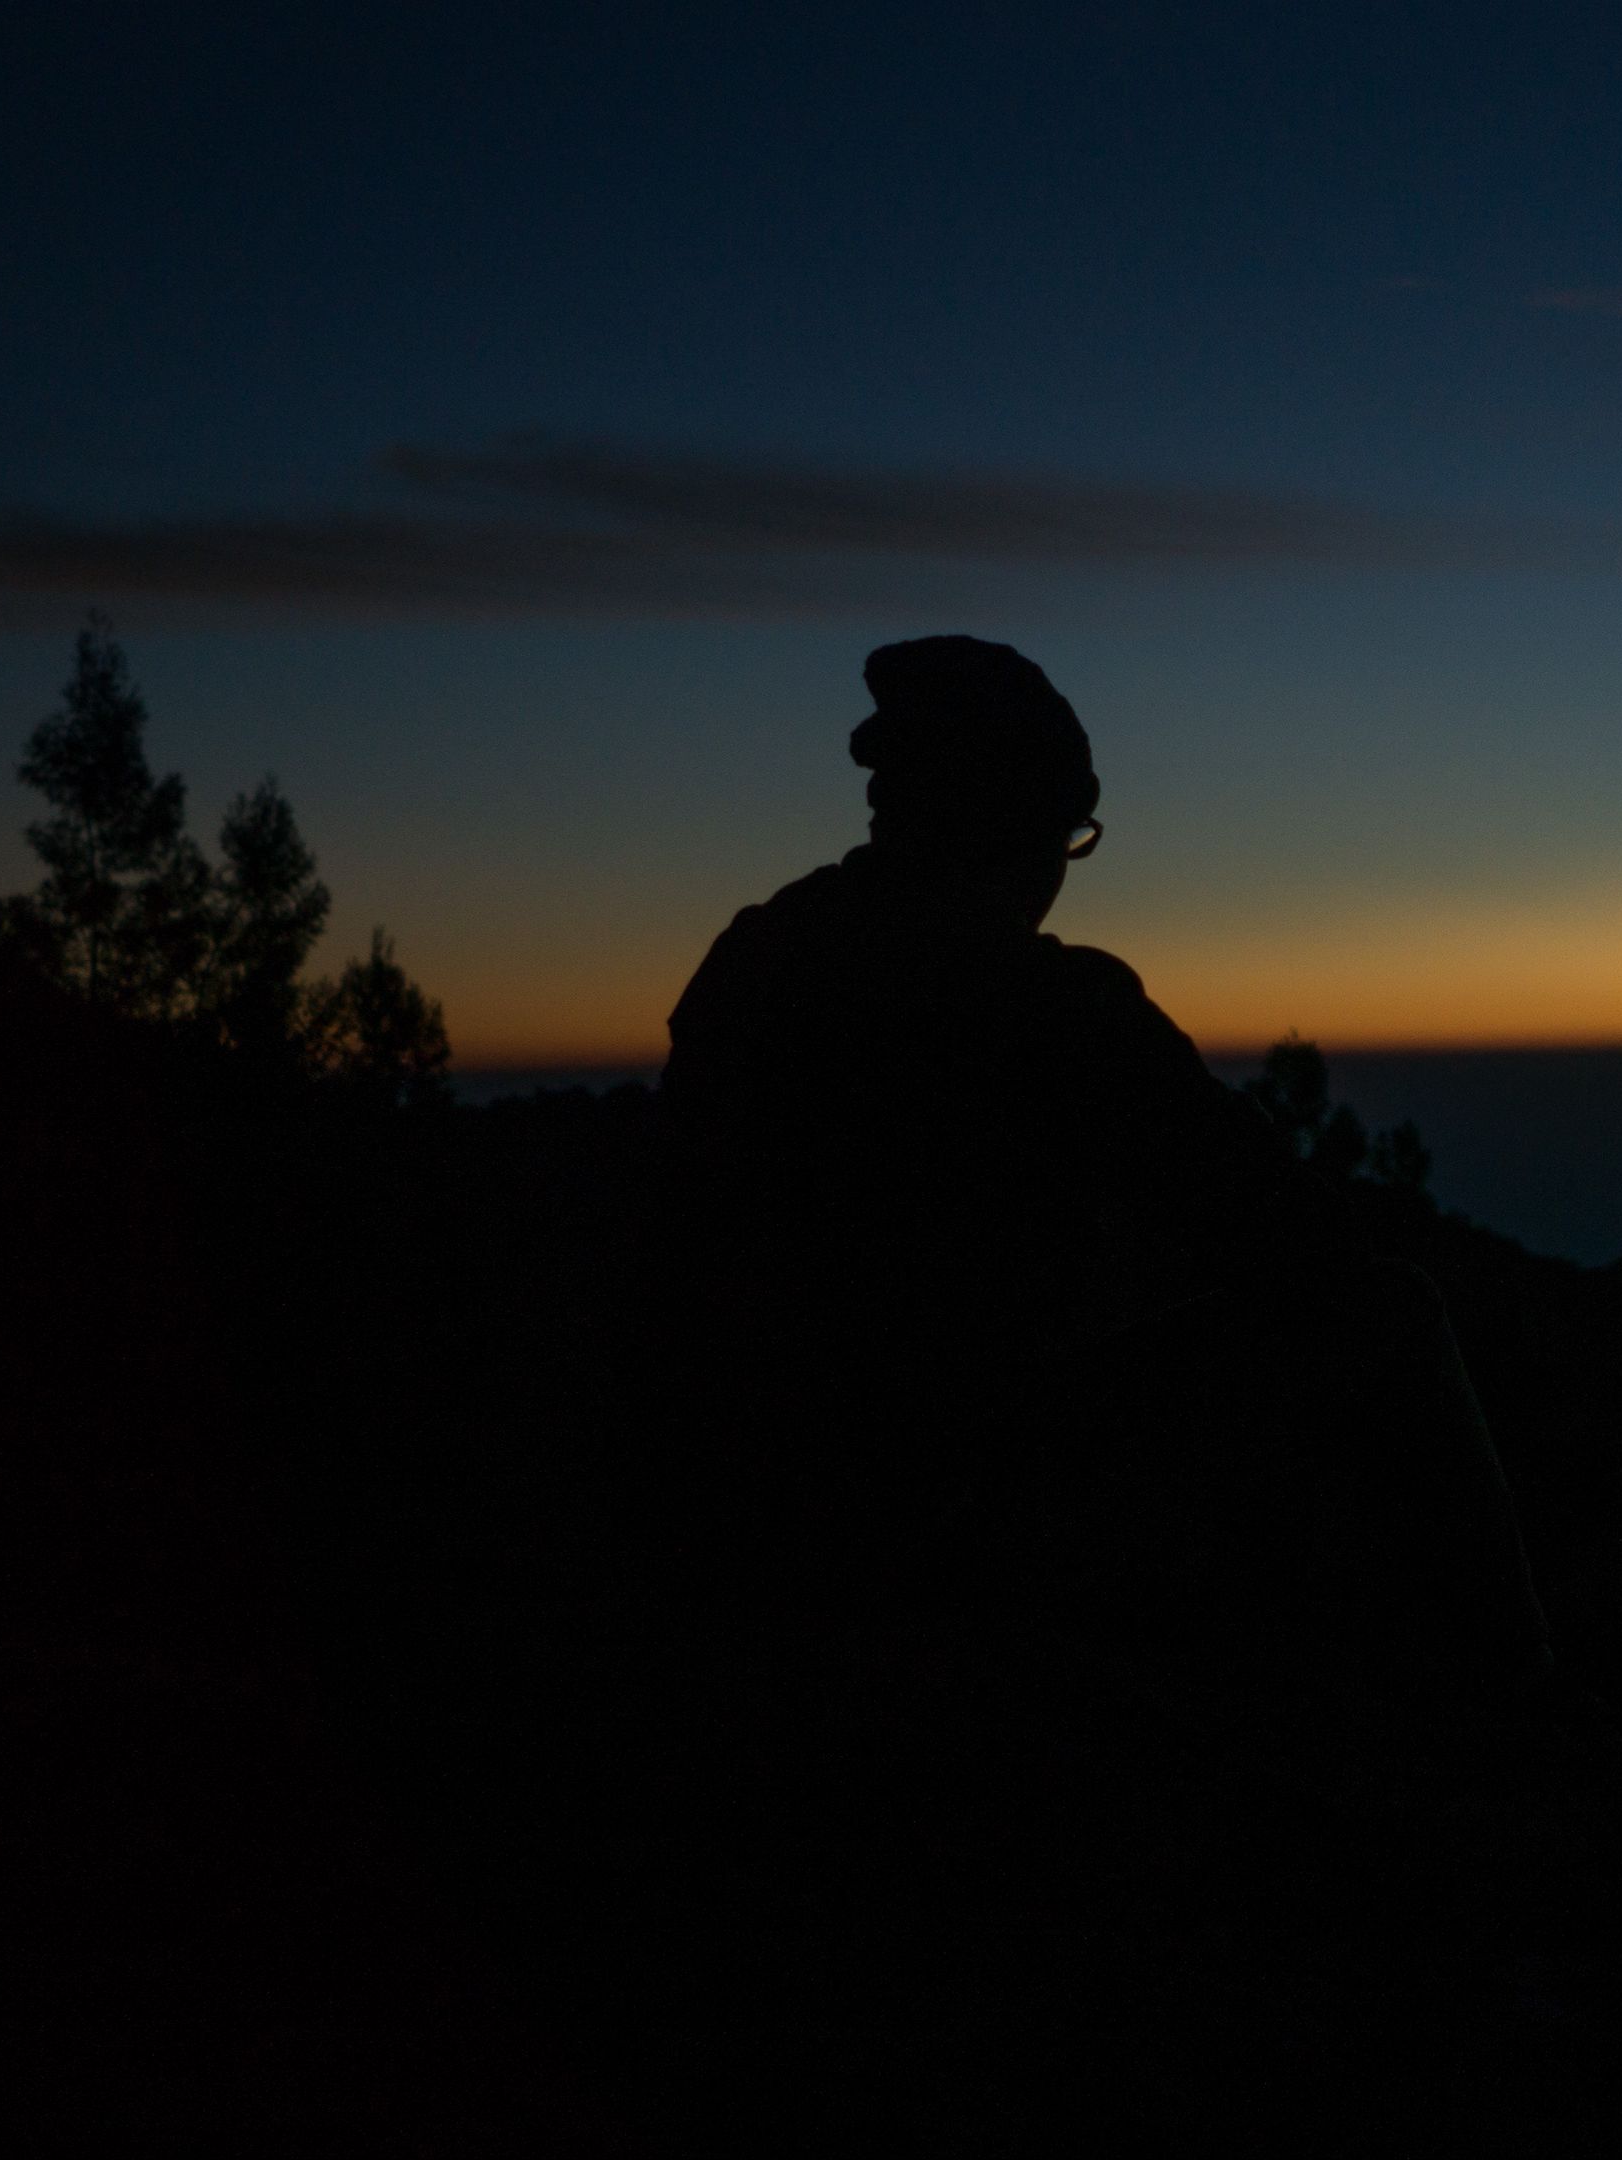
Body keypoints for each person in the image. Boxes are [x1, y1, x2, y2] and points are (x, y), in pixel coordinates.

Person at [660, 636, 1549, 1711]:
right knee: (1387, 1319)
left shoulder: (756, 957)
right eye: (1066, 838)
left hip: (738, 1475)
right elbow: (1279, 1223)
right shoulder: (1056, 1007)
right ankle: (1519, 1714)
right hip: (951, 1483)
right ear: (1014, 821)